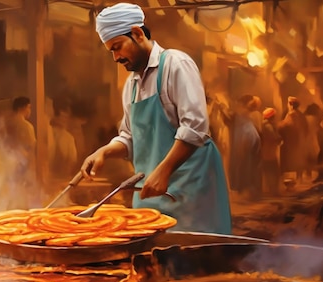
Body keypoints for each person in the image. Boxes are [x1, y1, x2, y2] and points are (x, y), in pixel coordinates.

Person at [80, 2, 231, 234]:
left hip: (190, 190)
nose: (115, 57)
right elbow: (129, 137)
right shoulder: (131, 85)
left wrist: (164, 171)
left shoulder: (175, 64)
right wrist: (104, 152)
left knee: (196, 260)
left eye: (118, 47)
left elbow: (195, 127)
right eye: (111, 50)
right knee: (151, 261)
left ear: (138, 34)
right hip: (151, 192)